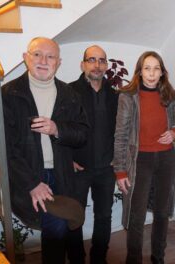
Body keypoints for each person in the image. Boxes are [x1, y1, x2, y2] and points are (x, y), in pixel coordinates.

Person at [1, 37, 89, 263]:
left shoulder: (69, 95)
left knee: (65, 228)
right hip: (30, 175)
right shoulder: (8, 95)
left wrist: (57, 128)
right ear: (25, 58)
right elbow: (4, 147)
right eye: (37, 54)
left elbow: (82, 134)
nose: (43, 60)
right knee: (57, 226)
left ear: (58, 62)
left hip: (62, 173)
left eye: (50, 56)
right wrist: (31, 183)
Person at [113, 51, 175, 264]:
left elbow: (174, 126)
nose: (151, 73)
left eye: (156, 68)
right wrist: (120, 170)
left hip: (166, 159)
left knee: (162, 213)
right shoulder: (128, 96)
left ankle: (158, 257)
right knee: (136, 214)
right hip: (139, 161)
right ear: (139, 72)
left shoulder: (169, 95)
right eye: (147, 68)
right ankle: (134, 259)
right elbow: (121, 135)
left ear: (162, 72)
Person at [67, 45, 118, 264]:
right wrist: (67, 159)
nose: (97, 65)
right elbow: (59, 128)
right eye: (92, 60)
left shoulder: (115, 96)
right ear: (83, 64)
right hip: (78, 168)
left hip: (107, 168)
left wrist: (119, 155)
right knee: (74, 217)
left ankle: (99, 258)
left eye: (101, 60)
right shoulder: (68, 92)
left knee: (104, 216)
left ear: (106, 65)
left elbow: (122, 130)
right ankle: (77, 259)